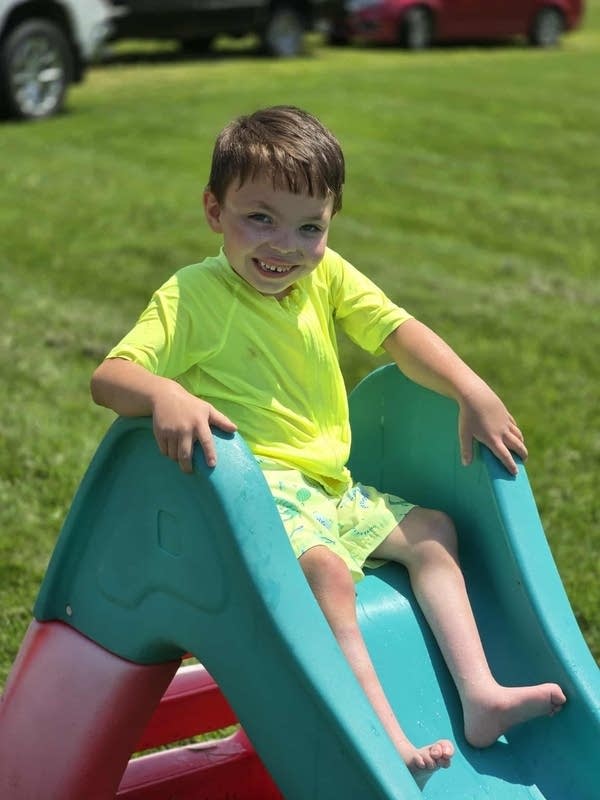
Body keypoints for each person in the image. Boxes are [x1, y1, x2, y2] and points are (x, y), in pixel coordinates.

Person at [91, 105, 566, 779]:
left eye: (309, 227)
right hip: (253, 492)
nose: (285, 246)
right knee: (327, 573)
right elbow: (110, 376)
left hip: (330, 486)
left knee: (433, 532)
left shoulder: (325, 275)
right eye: (260, 218)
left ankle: (479, 694)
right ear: (212, 209)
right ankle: (383, 735)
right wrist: (165, 393)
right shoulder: (191, 297)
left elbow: (398, 333)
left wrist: (471, 391)